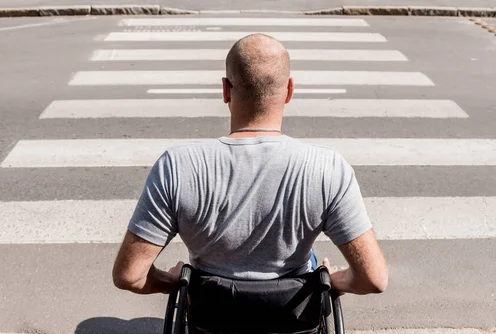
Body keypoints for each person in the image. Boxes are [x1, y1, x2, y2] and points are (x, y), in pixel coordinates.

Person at [112, 33, 388, 296]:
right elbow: (373, 279)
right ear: (289, 90)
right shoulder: (328, 167)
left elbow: (130, 275)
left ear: (225, 90)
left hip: (212, 326)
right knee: (312, 260)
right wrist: (330, 279)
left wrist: (171, 281)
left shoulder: (177, 166)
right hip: (290, 323)